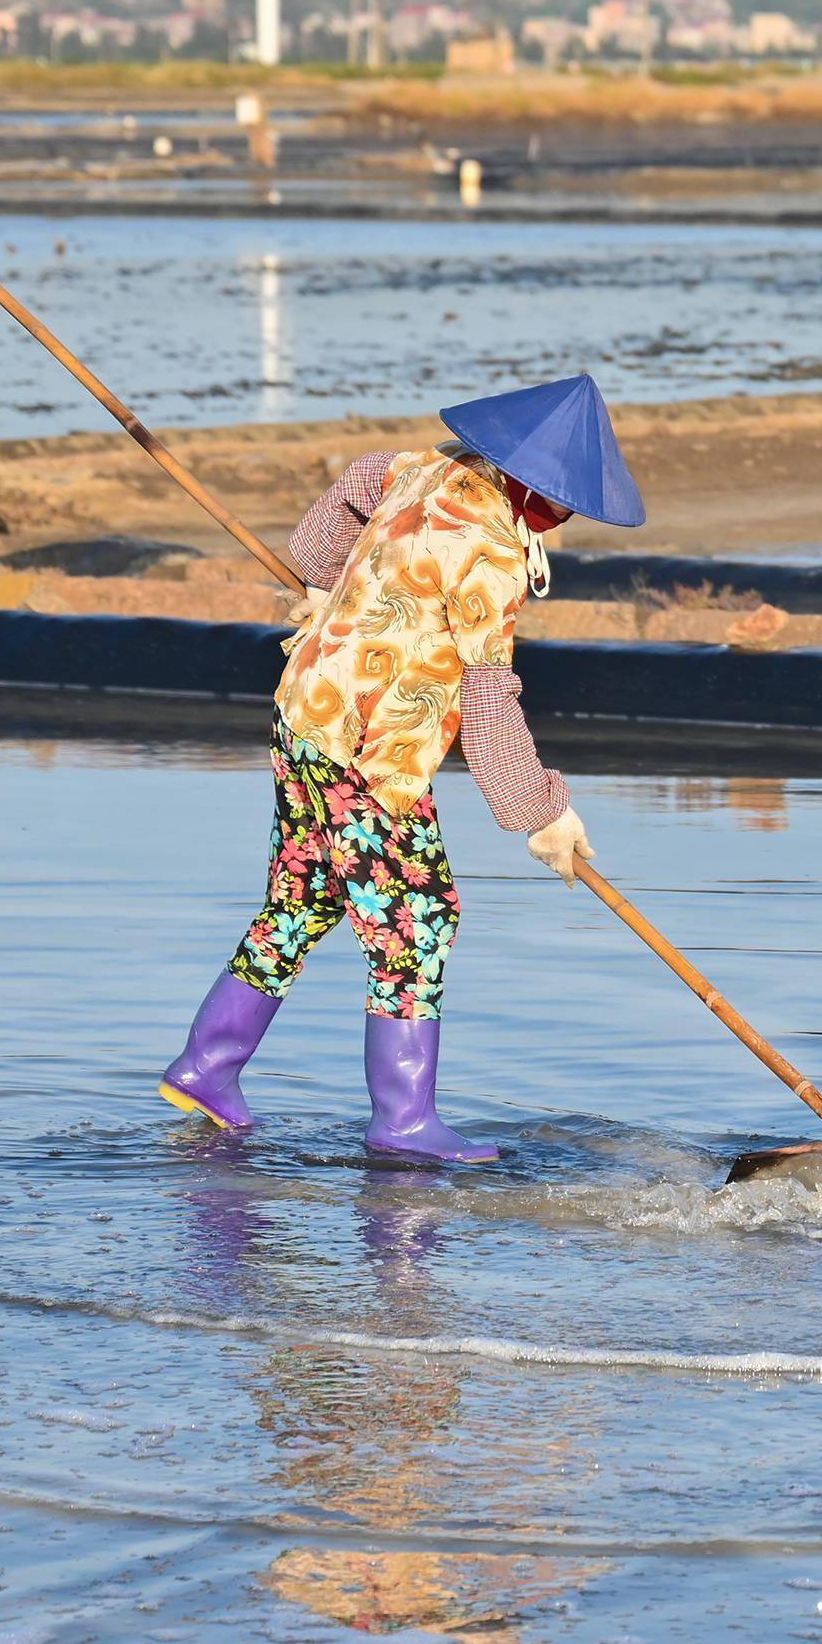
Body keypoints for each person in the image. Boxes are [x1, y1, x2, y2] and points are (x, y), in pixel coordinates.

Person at [157, 373, 646, 1159]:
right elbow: (489, 702)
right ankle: (404, 1122)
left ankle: (207, 1066)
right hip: (371, 749)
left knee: (306, 896)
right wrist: (541, 813)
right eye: (559, 504)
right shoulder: (491, 553)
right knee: (419, 919)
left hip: (305, 714)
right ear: (526, 487)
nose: (562, 518)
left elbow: (339, 505)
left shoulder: (416, 466)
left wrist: (327, 586)